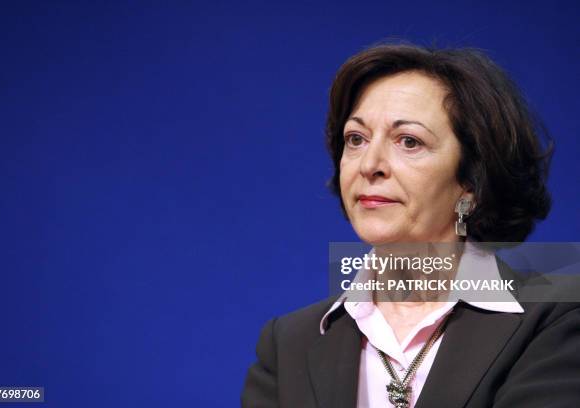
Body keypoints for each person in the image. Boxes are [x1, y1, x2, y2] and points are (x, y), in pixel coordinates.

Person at [241, 42, 580, 407]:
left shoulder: (556, 319)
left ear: (472, 183)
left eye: (409, 141)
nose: (369, 164)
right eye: (356, 139)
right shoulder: (288, 344)